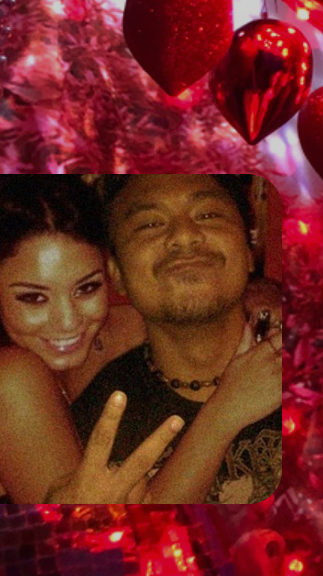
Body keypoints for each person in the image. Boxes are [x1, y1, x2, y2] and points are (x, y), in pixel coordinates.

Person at [0, 175, 279, 504]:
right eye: (33, 298)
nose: (68, 322)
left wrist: (261, 294)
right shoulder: (6, 379)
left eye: (86, 288)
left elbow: (182, 300)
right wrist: (225, 411)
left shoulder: (105, 336)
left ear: (109, 275)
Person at [68, 174, 284, 503]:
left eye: (208, 215)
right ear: (117, 275)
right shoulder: (94, 428)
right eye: (150, 224)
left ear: (248, 251)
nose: (184, 235)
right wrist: (224, 412)